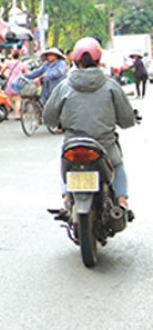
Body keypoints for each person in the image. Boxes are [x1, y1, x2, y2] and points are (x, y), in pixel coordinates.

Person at [43, 37, 136, 217]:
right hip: (105, 145)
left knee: (66, 166)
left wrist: (58, 123)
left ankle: (65, 200)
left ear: (76, 60)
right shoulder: (111, 86)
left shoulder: (64, 86)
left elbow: (49, 118)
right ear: (99, 60)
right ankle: (122, 204)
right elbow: (127, 120)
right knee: (117, 166)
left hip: (73, 144)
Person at [0, 51, 28, 119]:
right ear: (19, 56)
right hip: (18, 82)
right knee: (18, 99)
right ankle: (17, 115)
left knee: (8, 99)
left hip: (10, 81)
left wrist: (6, 76)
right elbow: (26, 73)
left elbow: (2, 71)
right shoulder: (22, 64)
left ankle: (7, 115)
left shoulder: (8, 63)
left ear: (12, 56)